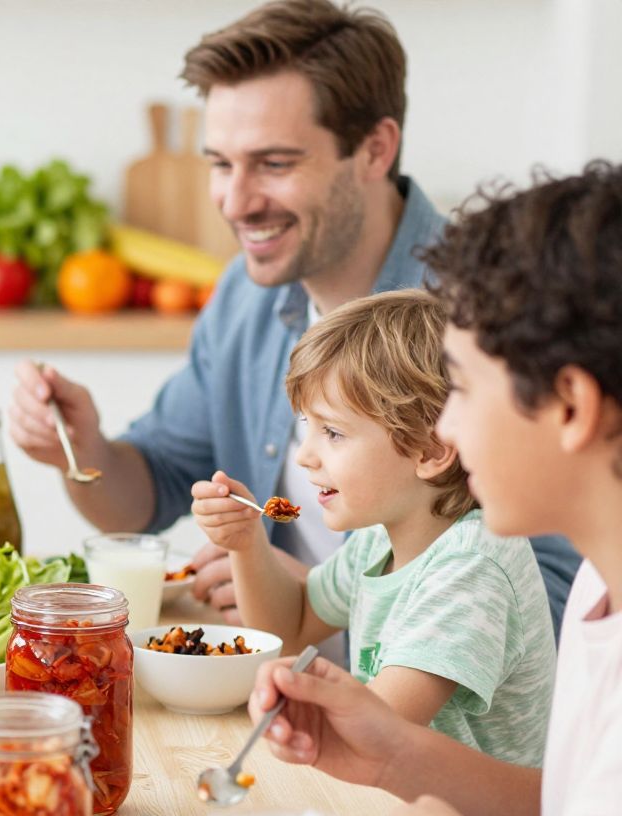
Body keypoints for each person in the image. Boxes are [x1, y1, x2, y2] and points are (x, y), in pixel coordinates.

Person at [6, 0, 578, 631]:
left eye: (274, 164)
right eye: (221, 164)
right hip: (281, 693)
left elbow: (560, 601)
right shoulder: (244, 297)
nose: (236, 201)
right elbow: (146, 496)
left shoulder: (491, 313)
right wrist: (81, 450)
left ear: (374, 149)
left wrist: (322, 598)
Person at [251, 163, 622, 816]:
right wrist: (389, 750)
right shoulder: (599, 580)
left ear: (569, 405)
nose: (444, 430)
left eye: (459, 386)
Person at [191, 290, 553, 764]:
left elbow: (375, 732)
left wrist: (298, 693)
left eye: (333, 433)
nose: (304, 455)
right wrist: (246, 542)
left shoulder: (471, 569)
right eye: (308, 427)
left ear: (429, 450)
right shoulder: (379, 539)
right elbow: (291, 626)